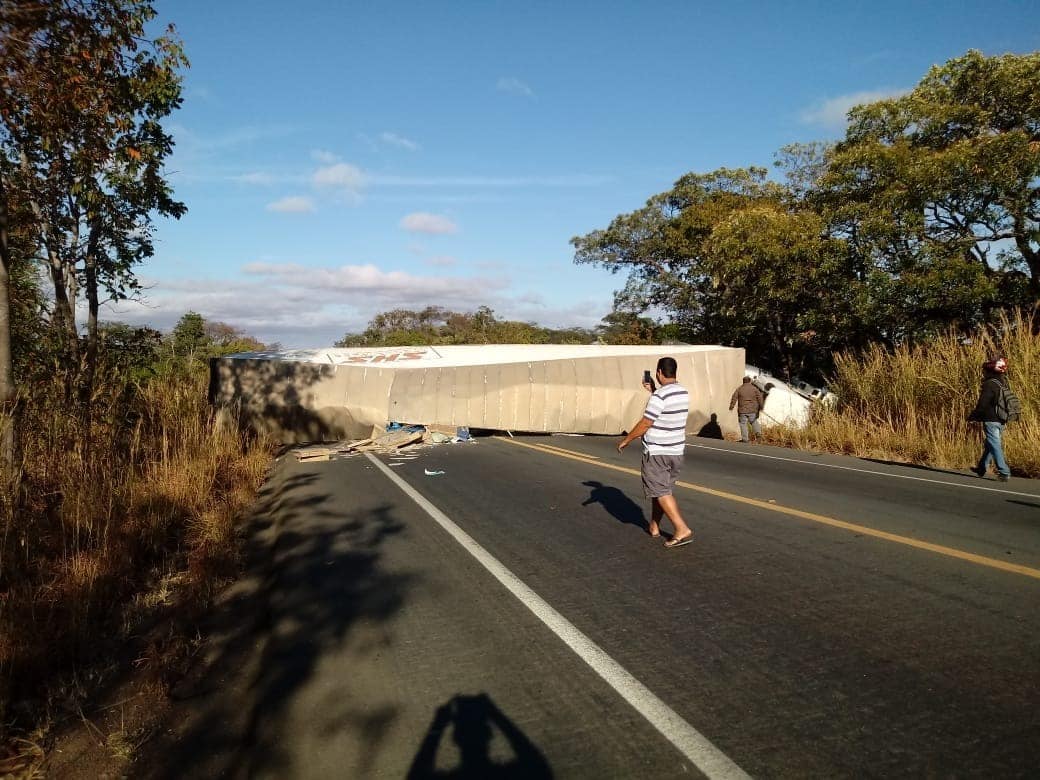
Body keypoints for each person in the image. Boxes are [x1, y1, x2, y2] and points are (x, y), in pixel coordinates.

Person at [617, 357, 694, 548]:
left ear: (659, 372)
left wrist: (627, 439)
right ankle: (654, 526)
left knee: (659, 491)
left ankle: (681, 528)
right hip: (676, 451)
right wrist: (653, 390)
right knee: (661, 490)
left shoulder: (659, 397)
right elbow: (666, 407)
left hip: (658, 452)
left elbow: (646, 423)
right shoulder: (682, 392)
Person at [967, 356, 1013, 482]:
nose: (984, 373)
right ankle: (982, 467)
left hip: (991, 419)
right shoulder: (1003, 383)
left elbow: (983, 403)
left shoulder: (989, 384)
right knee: (990, 444)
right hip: (1002, 419)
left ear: (990, 371)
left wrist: (973, 416)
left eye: (985, 370)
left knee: (994, 444)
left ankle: (1004, 471)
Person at [729, 376, 765, 443]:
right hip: (752, 410)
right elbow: (760, 398)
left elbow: (734, 397)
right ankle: (758, 433)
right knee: (753, 421)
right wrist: (761, 407)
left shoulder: (739, 389)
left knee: (743, 424)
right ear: (750, 381)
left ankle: (745, 439)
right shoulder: (754, 389)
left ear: (743, 381)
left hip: (742, 411)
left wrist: (731, 406)